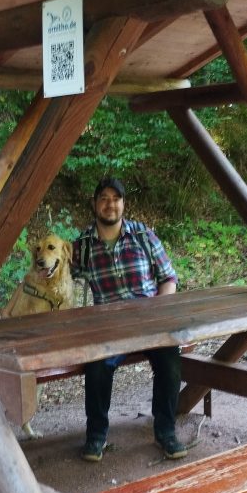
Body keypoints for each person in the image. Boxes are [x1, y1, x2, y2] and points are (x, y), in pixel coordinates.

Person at [72, 176, 187, 463]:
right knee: (96, 366)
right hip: (108, 327)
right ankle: (96, 435)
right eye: (104, 199)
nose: (110, 205)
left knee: (170, 361)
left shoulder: (142, 235)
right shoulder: (83, 245)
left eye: (116, 199)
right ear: (94, 204)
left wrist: (160, 313)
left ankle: (165, 432)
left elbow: (168, 277)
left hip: (149, 321)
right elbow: (62, 279)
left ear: (123, 204)